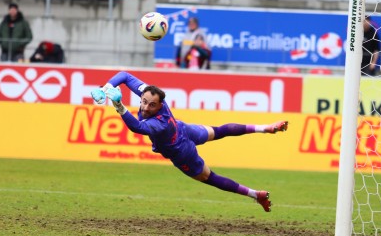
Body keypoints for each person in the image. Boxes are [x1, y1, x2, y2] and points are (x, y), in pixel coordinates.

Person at [90, 73, 288, 211]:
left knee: (208, 178)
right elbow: (124, 75)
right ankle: (265, 128)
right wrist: (106, 87)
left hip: (182, 151)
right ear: (142, 96)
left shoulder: (159, 122)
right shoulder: (152, 96)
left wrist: (118, 105)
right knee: (218, 131)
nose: (146, 107)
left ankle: (256, 195)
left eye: (152, 105)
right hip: (185, 129)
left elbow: (137, 128)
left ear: (160, 105)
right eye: (144, 101)